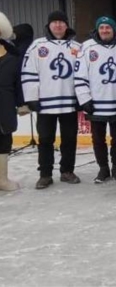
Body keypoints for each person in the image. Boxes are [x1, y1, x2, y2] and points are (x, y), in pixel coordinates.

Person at [22, 11, 82, 189]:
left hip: (69, 103)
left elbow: (83, 74)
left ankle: (67, 171)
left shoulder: (77, 47)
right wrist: (32, 97)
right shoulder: (37, 46)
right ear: (49, 25)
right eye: (54, 22)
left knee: (70, 138)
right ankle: (45, 174)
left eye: (61, 22)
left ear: (66, 25)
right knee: (46, 139)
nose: (58, 25)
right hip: (46, 104)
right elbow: (29, 72)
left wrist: (81, 97)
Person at [74, 16, 116, 183]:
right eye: (102, 27)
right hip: (96, 104)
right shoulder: (87, 47)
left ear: (114, 29)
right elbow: (79, 75)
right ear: (97, 30)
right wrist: (85, 99)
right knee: (98, 139)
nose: (105, 30)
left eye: (108, 27)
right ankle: (103, 169)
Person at [0, 12, 22, 191]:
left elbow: (19, 85)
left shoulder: (13, 59)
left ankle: (2, 179)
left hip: (5, 106)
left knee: (4, 142)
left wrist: (23, 104)